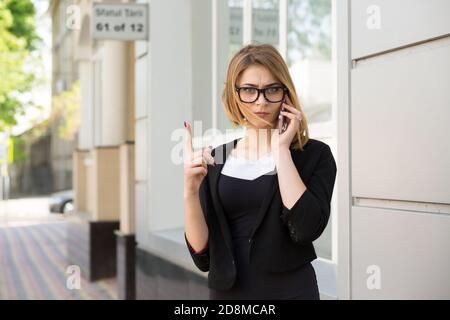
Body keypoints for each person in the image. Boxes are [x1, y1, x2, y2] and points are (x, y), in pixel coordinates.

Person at [183, 43, 337, 300]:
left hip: (292, 292)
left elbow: (306, 228)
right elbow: (203, 256)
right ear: (234, 94)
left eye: (272, 89)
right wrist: (189, 191)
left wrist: (281, 151)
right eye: (249, 90)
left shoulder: (315, 155)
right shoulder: (216, 157)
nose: (261, 101)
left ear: (286, 94)